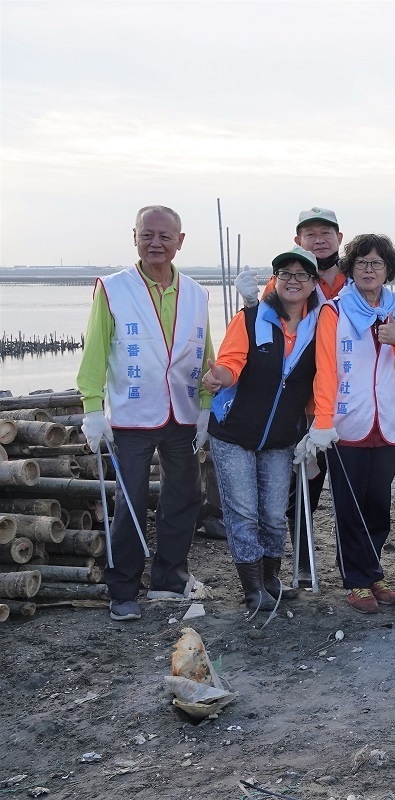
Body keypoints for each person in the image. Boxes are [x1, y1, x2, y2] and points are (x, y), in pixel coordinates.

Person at [77, 206, 214, 621]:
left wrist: (207, 407)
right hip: (133, 413)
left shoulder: (196, 292)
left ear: (180, 240)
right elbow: (96, 350)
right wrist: (91, 407)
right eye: (147, 235)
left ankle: (169, 577)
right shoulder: (115, 288)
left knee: (184, 495)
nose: (156, 243)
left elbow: (204, 350)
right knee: (131, 498)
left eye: (164, 236)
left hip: (183, 412)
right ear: (134, 236)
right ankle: (122, 588)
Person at [309, 234, 395, 614]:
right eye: (361, 263)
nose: (369, 269)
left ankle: (374, 571)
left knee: (378, 502)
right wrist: (322, 421)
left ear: (389, 269)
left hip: (388, 421)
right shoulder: (333, 312)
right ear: (350, 269)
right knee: (349, 504)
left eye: (376, 263)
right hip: (348, 421)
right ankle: (356, 580)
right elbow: (325, 371)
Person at [202, 247, 320, 610]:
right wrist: (218, 376)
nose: (293, 280)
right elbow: (231, 361)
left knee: (272, 513)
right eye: (286, 273)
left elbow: (321, 381)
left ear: (314, 283)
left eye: (302, 274)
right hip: (233, 431)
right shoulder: (252, 318)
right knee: (243, 512)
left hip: (282, 437)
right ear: (275, 279)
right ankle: (252, 587)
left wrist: (315, 428)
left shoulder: (321, 326)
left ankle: (271, 578)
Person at [236, 207, 346, 586]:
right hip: (301, 403)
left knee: (348, 488)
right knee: (303, 486)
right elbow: (260, 333)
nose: (319, 240)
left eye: (326, 233)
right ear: (297, 240)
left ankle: (353, 565)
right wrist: (250, 305)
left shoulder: (354, 280)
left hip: (351, 402)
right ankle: (302, 559)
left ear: (339, 238)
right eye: (310, 233)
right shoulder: (282, 283)